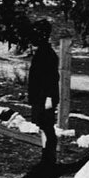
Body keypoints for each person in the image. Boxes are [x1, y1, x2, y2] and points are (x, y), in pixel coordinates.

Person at [27, 19, 60, 166]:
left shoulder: (46, 54)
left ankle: (49, 157)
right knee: (43, 126)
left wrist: (48, 98)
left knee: (47, 127)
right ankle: (46, 156)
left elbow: (51, 78)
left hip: (44, 96)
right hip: (39, 96)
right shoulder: (43, 52)